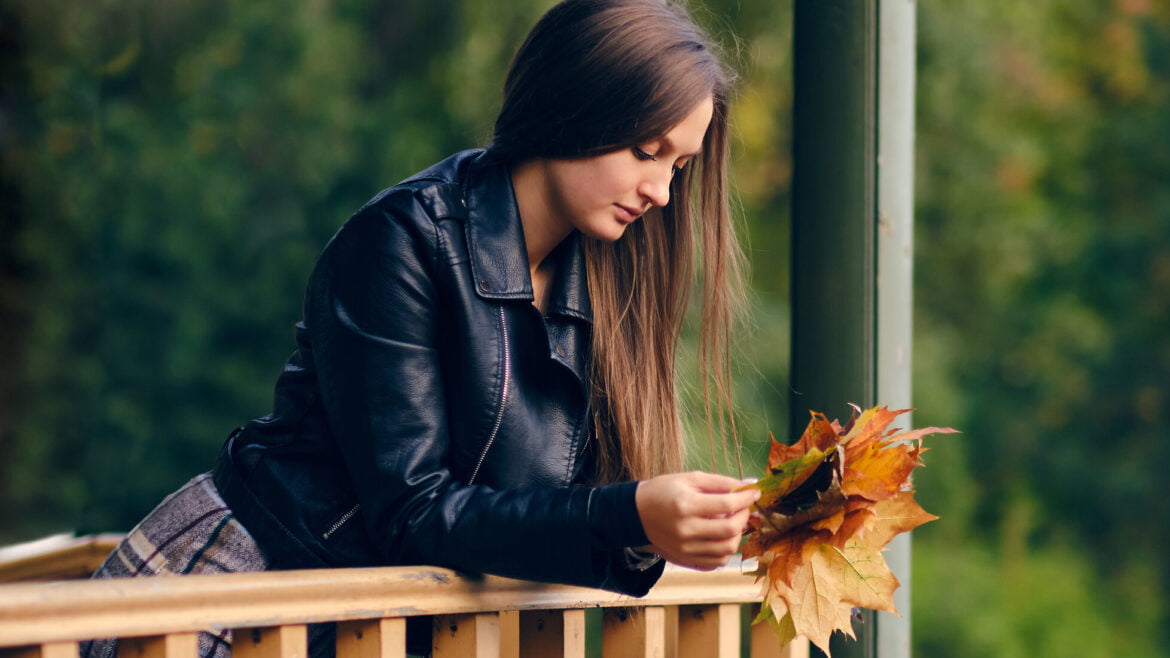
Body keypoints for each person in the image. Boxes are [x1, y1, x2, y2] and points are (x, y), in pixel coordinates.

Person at [84, 0, 758, 656]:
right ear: (575, 105)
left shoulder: (604, 287)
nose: (663, 192)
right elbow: (412, 512)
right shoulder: (404, 240)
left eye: (679, 166)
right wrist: (628, 514)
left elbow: (536, 520)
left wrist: (666, 525)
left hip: (380, 623)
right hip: (248, 588)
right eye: (647, 151)